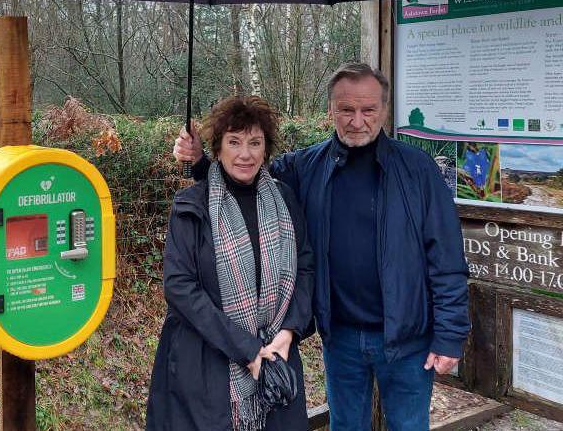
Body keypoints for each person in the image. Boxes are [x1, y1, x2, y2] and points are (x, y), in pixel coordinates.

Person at [173, 63, 470, 430]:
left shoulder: (418, 171)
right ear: (330, 110)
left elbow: (447, 260)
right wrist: (201, 159)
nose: (357, 120)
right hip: (341, 337)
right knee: (346, 426)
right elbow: (244, 176)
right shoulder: (306, 166)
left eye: (368, 110)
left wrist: (450, 336)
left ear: (384, 111)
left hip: (407, 339)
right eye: (346, 109)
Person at [147, 96, 315, 431]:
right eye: (234, 142)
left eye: (255, 143)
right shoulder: (192, 206)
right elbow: (179, 287)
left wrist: (288, 333)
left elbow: (306, 267)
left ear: (266, 149)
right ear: (218, 148)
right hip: (207, 371)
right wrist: (249, 351)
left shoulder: (284, 200)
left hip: (276, 362)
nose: (245, 154)